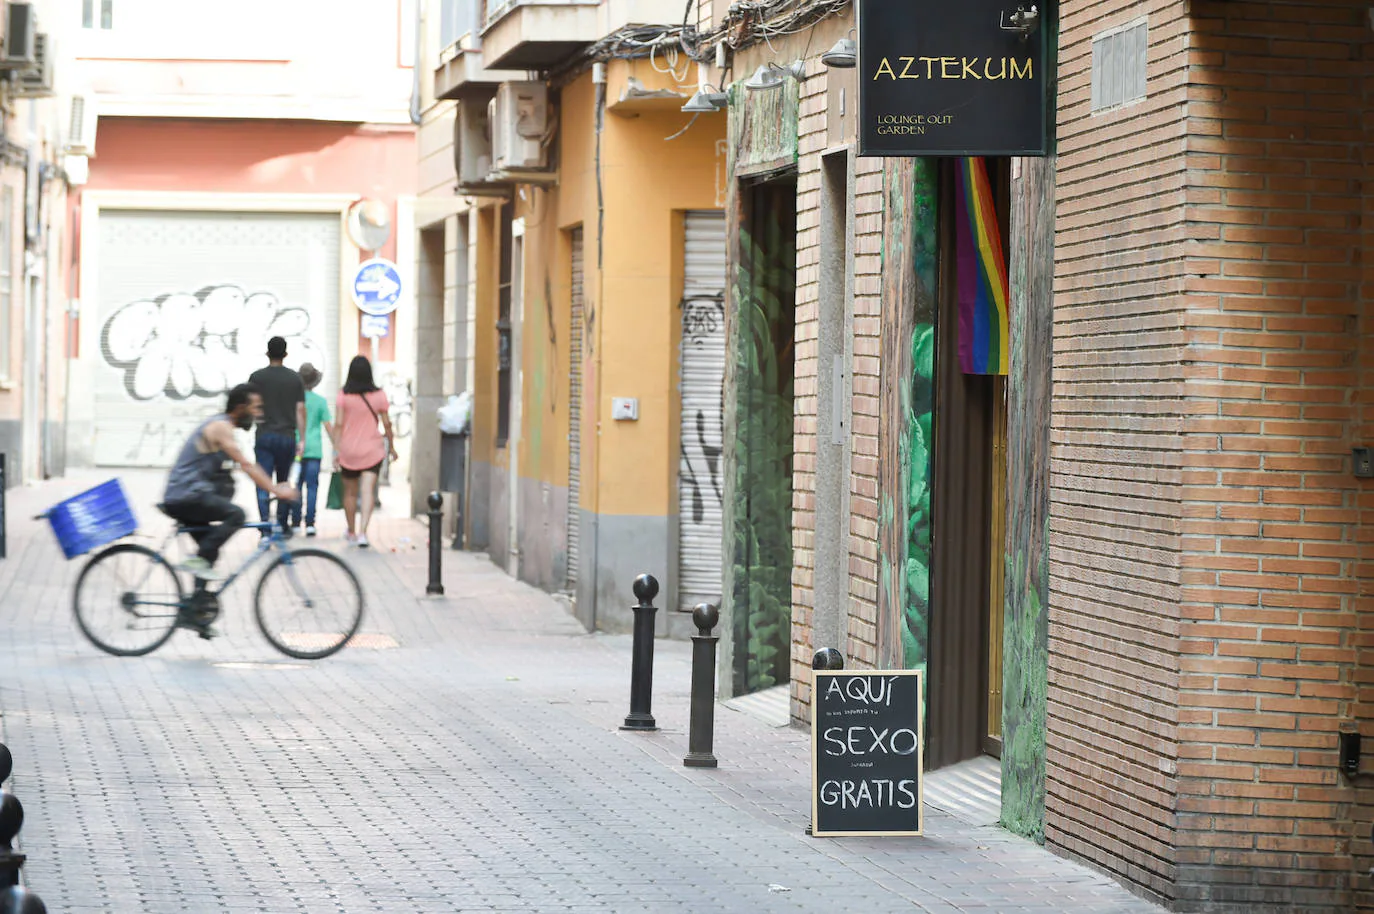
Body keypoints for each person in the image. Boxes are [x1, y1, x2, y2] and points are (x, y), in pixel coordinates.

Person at [161, 383, 298, 581]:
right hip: (185, 496)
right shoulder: (221, 427)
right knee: (237, 515)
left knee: (209, 552)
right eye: (255, 408)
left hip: (187, 494)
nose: (258, 414)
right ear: (241, 408)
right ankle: (198, 564)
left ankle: (198, 605)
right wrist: (276, 490)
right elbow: (247, 465)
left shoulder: (222, 425)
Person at [329, 355, 398, 548]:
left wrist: (336, 451)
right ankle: (363, 533)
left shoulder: (343, 395)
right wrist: (391, 447)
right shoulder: (379, 395)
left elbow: (339, 424)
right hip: (372, 450)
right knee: (367, 491)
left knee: (350, 493)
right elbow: (387, 424)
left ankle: (350, 531)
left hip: (349, 450)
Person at [247, 336, 305, 534]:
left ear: (267, 353)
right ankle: (281, 523)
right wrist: (302, 438)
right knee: (283, 481)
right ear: (286, 354)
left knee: (263, 480)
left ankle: (265, 527)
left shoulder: (256, 378)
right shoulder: (295, 378)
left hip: (264, 435)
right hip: (287, 436)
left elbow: (249, 405)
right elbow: (300, 410)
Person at [290, 362, 332, 537]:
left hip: (296, 449)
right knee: (313, 486)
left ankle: (295, 522)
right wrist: (337, 448)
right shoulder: (320, 402)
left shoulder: (293, 400)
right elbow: (329, 427)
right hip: (314, 450)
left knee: (296, 485)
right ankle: (310, 524)